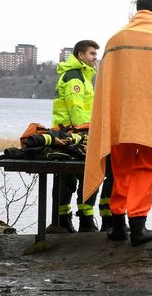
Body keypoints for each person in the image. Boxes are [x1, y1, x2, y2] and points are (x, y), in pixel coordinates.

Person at [82, 0, 152, 246]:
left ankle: (118, 224)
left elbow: (104, 88)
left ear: (137, 9)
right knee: (145, 169)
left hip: (120, 120)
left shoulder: (115, 41)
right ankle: (139, 224)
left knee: (120, 169)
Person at [51, 39, 113, 233]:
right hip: (72, 134)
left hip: (72, 133)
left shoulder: (82, 76)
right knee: (85, 174)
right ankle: (80, 220)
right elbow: (75, 108)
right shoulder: (74, 77)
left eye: (96, 54)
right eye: (92, 54)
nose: (95, 58)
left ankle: (70, 219)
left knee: (72, 178)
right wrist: (87, 132)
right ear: (80, 55)